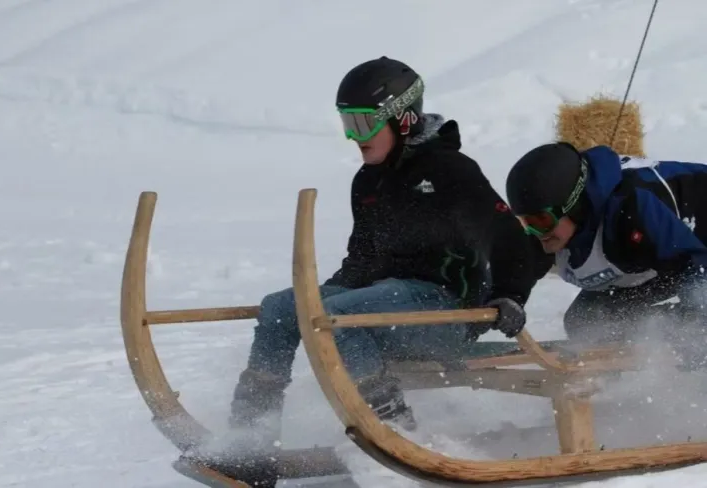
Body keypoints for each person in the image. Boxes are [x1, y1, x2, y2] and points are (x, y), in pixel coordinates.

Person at [227, 56, 548, 441]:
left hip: (447, 312)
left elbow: (507, 235)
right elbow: (362, 259)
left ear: (403, 118)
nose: (353, 136)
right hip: (387, 302)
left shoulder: (449, 171)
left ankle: (394, 432)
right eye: (348, 123)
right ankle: (249, 438)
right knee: (281, 308)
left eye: (363, 122)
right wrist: (316, 301)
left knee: (340, 317)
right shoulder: (368, 183)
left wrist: (510, 296)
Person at [505, 142, 707, 363]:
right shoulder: (551, 227)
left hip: (694, 250)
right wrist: (507, 298)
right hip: (659, 258)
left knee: (683, 324)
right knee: (586, 323)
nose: (535, 231)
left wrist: (693, 334)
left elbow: (697, 271)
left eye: (541, 220)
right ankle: (616, 382)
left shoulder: (632, 210)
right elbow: (521, 267)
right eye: (526, 221)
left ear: (575, 205)